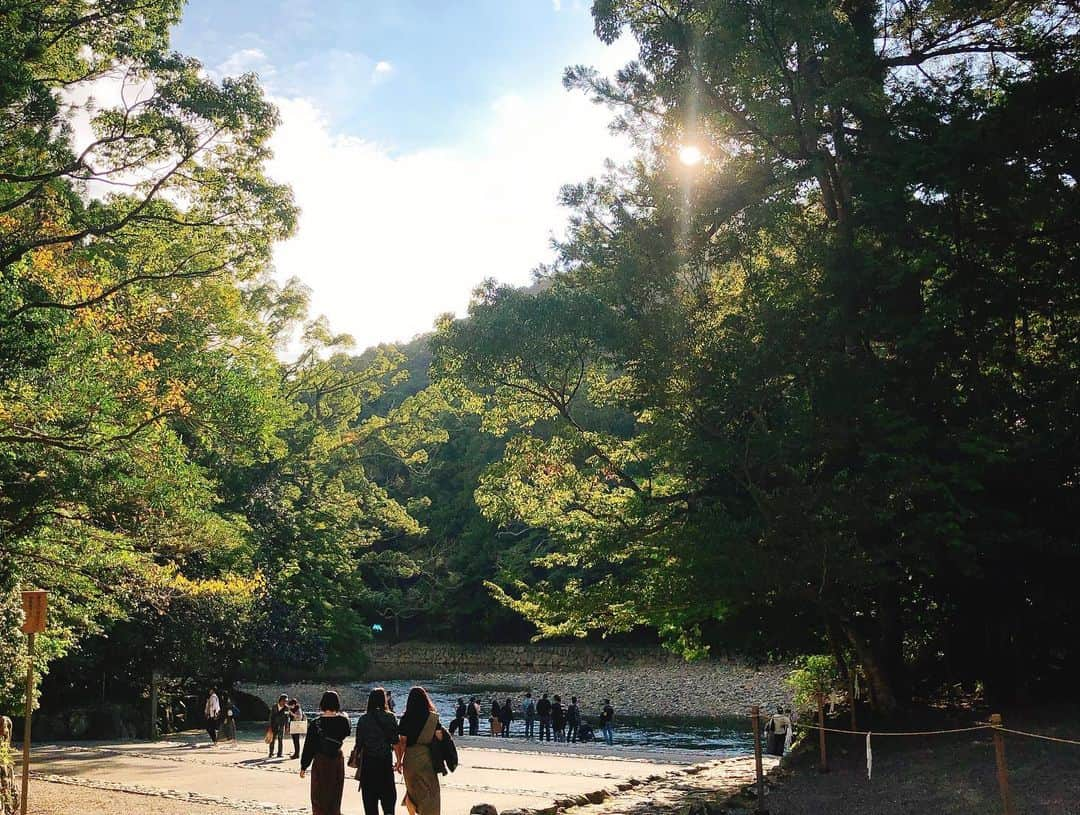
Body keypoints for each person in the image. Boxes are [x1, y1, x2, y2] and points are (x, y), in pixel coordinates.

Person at [300, 691, 351, 815]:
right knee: (335, 794)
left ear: (322, 703)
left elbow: (309, 747)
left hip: (320, 760)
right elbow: (347, 732)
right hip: (337, 759)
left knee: (318, 794)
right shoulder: (343, 721)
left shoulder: (315, 723)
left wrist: (304, 766)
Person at [396, 686, 444, 815]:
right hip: (426, 757)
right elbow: (439, 736)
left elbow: (402, 742)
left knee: (412, 792)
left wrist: (399, 761)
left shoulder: (406, 718)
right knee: (431, 791)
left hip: (410, 758)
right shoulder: (432, 718)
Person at [355, 687, 399, 815]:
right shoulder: (390, 717)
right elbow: (395, 742)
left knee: (370, 805)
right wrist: (399, 761)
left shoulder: (363, 719)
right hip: (385, 762)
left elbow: (359, 744)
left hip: (368, 765)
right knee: (388, 803)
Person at [269, 693, 290, 758]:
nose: (285, 702)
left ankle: (279, 753)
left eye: (286, 701)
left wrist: (287, 726)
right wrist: (270, 725)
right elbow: (271, 716)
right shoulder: (274, 706)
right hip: (274, 725)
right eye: (284, 701)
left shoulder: (286, 708)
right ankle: (271, 753)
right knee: (272, 740)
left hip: (281, 725)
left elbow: (287, 717)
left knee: (280, 740)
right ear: (280, 700)